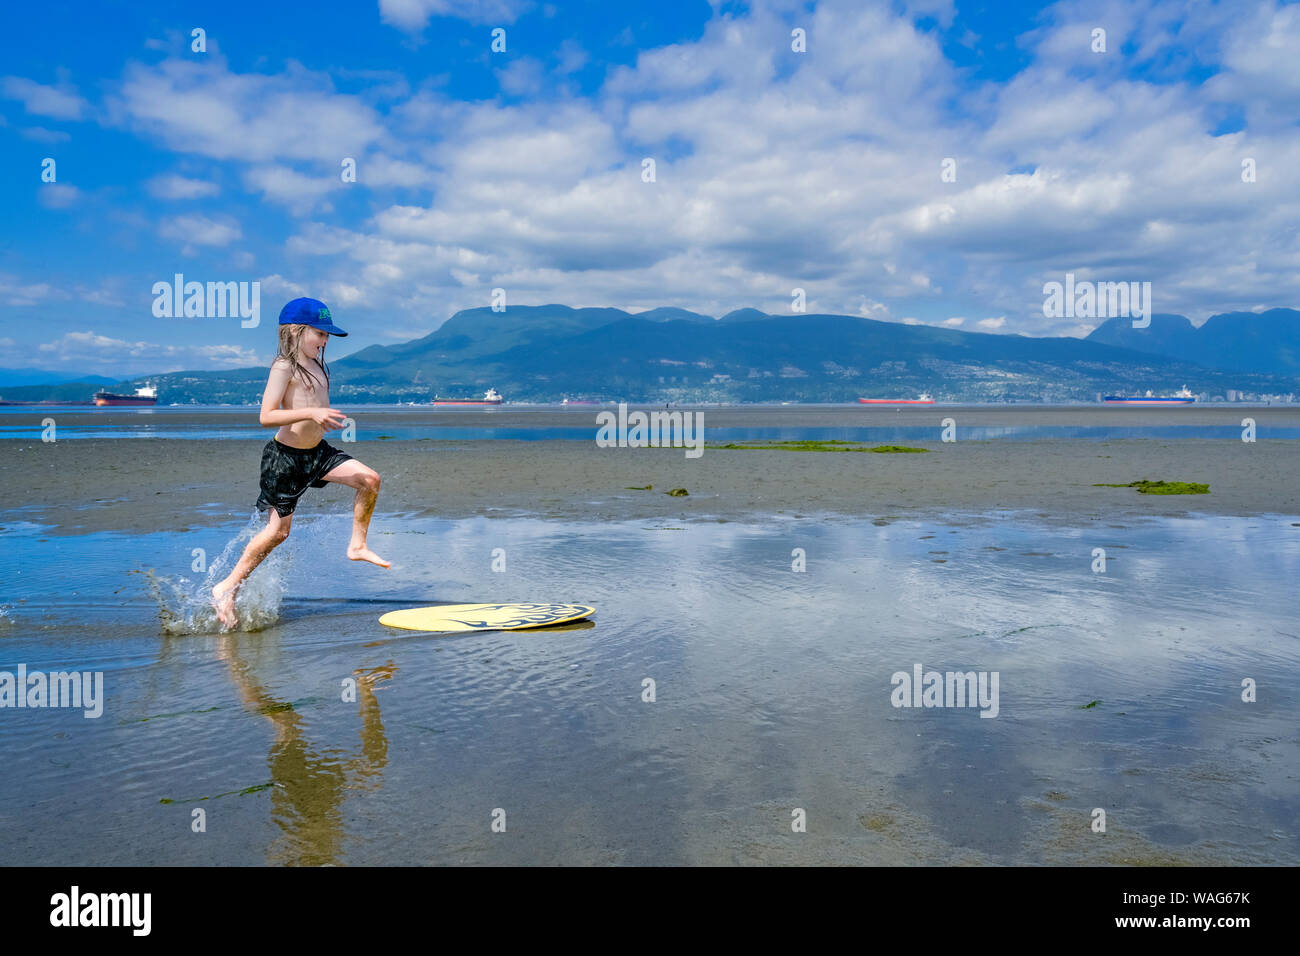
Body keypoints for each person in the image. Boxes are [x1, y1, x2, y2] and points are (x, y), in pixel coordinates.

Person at [212, 297, 388, 629]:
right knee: (278, 532)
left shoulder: (318, 365)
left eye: (327, 336)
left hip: (317, 453)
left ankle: (357, 545)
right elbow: (266, 415)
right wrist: (311, 412)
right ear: (295, 331)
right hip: (285, 460)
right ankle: (227, 587)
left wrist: (319, 417)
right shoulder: (284, 366)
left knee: (370, 479)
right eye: (319, 334)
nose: (324, 341)